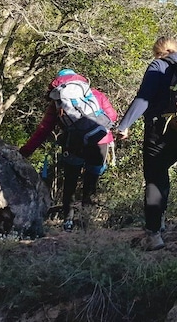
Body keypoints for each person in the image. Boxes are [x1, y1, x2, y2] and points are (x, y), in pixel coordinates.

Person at [115, 36, 177, 251]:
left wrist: (124, 125)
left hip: (160, 130)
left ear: (157, 50)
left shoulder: (158, 65)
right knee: (161, 172)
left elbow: (143, 99)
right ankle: (160, 223)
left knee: (154, 176)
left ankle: (153, 234)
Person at [20, 69, 117, 232]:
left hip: (74, 143)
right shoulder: (95, 94)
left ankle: (68, 221)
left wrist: (25, 152)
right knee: (91, 182)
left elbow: (43, 130)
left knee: (70, 182)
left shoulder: (58, 102)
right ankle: (87, 222)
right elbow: (112, 116)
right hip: (100, 142)